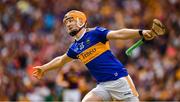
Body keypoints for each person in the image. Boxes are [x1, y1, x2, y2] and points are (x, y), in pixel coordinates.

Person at [32, 10, 165, 101]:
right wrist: (44, 68)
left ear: (81, 20)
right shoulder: (75, 47)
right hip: (103, 86)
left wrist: (141, 32)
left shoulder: (95, 33)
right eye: (66, 23)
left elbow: (118, 34)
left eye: (71, 20)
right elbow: (61, 60)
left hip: (119, 80)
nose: (68, 24)